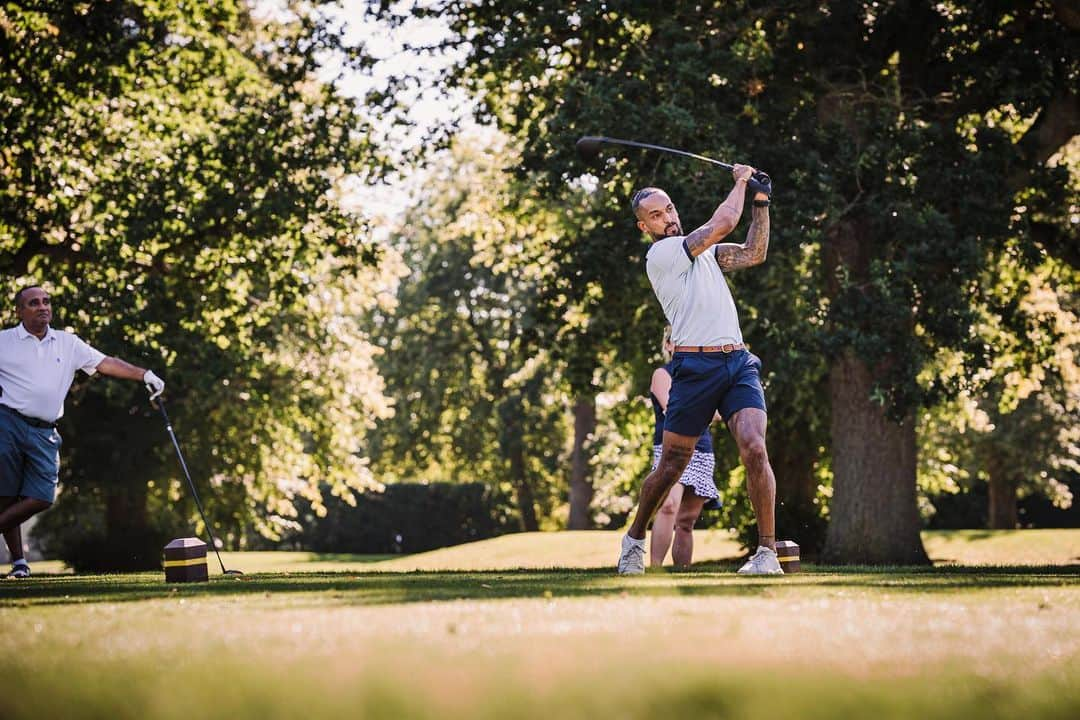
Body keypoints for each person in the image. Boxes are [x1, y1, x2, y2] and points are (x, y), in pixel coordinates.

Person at [618, 165, 781, 575]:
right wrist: (742, 181)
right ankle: (634, 539)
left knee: (755, 446)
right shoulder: (663, 254)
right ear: (644, 227)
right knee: (672, 464)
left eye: (669, 208)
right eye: (656, 215)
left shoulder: (704, 252)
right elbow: (725, 221)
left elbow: (753, 252)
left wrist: (761, 202)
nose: (668, 217)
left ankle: (766, 553)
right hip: (694, 366)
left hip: (738, 361)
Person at [0, 285, 165, 577]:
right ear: (19, 311)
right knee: (7, 496)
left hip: (45, 430)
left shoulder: (68, 343)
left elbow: (105, 363)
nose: (42, 307)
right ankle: (19, 563)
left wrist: (144, 375)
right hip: (8, 423)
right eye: (34, 303)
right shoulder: (4, 341)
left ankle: (18, 562)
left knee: (42, 496)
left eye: (46, 302)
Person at [648, 325, 721, 569]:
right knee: (668, 506)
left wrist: (701, 410)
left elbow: (719, 414)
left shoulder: (702, 377)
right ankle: (655, 568)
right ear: (668, 345)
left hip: (701, 450)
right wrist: (704, 409)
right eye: (676, 340)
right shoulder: (662, 374)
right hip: (671, 449)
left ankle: (683, 571)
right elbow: (673, 409)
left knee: (687, 520)